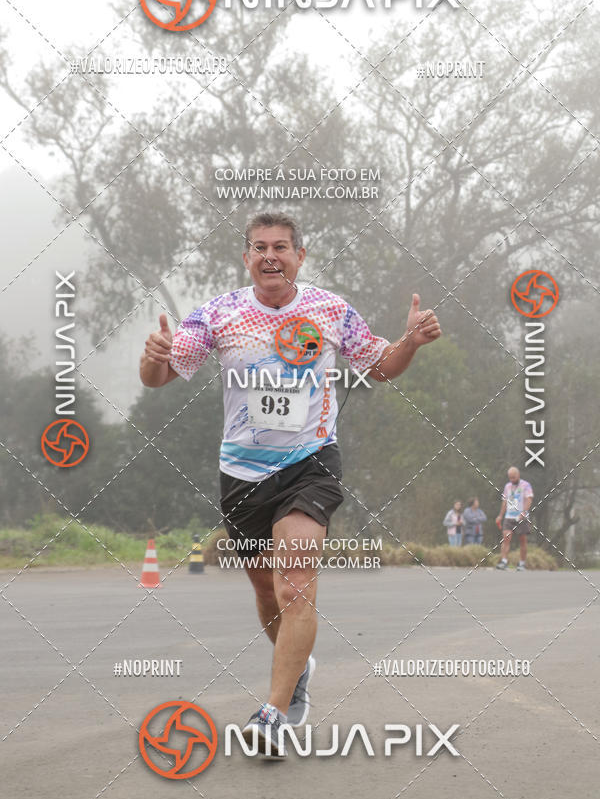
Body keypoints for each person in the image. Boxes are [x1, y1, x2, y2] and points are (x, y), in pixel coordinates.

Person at [139, 211, 442, 757]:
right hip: (242, 474)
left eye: (281, 246)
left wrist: (411, 342)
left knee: (294, 581)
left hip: (311, 462)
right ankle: (297, 668)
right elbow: (161, 376)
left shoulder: (329, 310)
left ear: (300, 256)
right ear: (247, 258)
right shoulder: (218, 314)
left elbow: (380, 366)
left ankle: (274, 713)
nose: (270, 255)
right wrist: (151, 356)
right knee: (264, 590)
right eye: (259, 247)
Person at [495, 466, 533, 571]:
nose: (512, 480)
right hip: (509, 517)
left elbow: (529, 499)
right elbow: (504, 502)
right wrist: (500, 515)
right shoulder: (507, 486)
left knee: (522, 541)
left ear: (518, 475)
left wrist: (523, 512)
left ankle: (522, 563)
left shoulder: (526, 485)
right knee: (506, 539)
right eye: (510, 478)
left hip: (521, 517)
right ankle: (504, 562)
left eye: (514, 477)